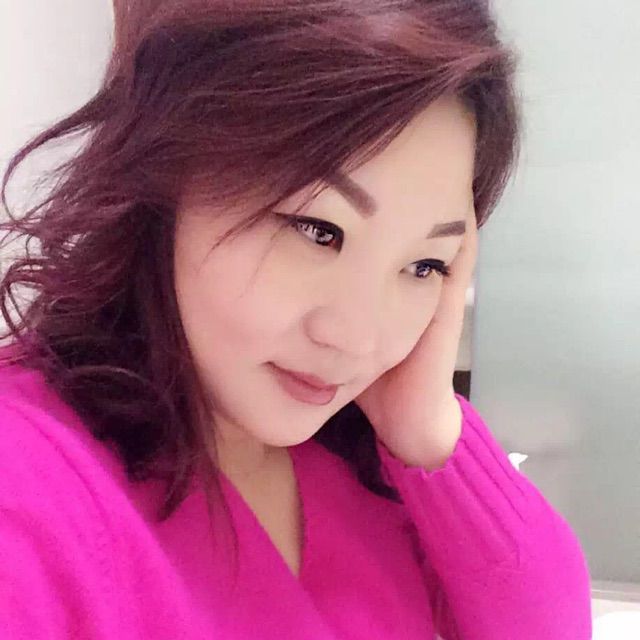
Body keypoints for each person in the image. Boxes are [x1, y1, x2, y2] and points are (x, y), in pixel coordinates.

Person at [0, 1, 592, 638]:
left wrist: (428, 427)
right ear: (172, 165)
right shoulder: (29, 487)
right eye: (318, 231)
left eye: (424, 265)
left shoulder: (364, 465)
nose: (359, 339)